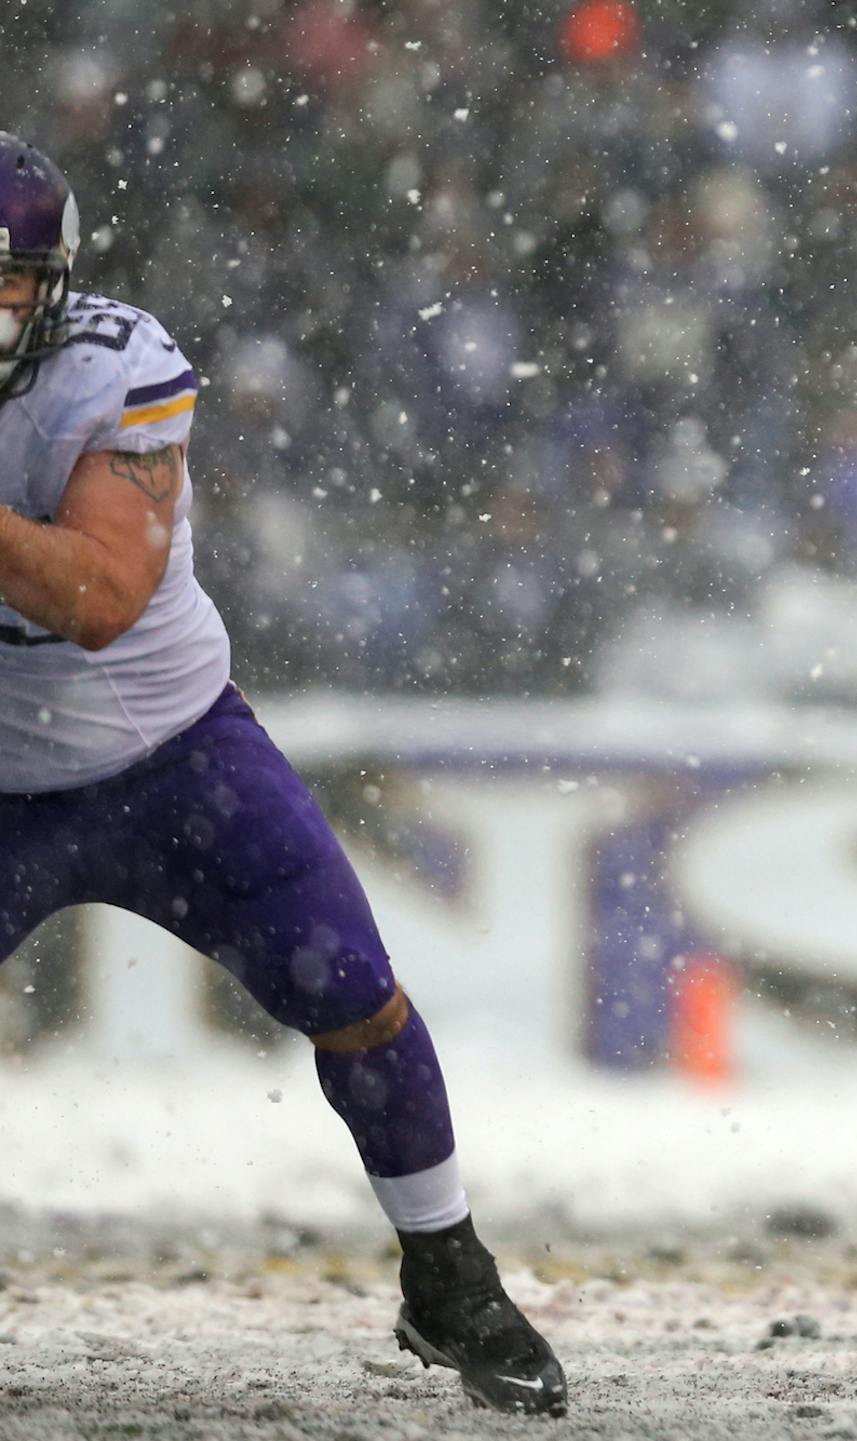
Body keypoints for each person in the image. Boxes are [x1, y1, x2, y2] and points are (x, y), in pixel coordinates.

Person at [0, 134, 566, 1417]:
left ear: (57, 281)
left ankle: (447, 1269)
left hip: (171, 752)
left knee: (355, 995)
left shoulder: (116, 366)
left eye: (5, 283)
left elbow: (97, 597)